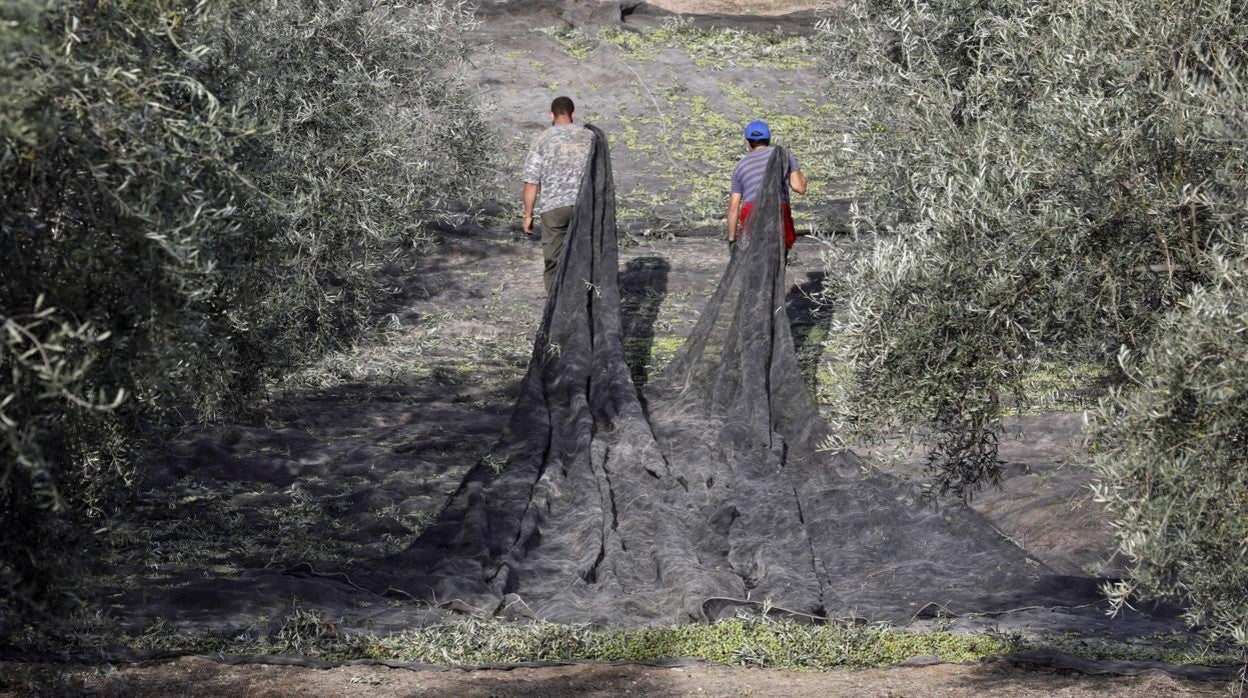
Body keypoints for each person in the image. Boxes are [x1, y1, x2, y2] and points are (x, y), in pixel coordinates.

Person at [522, 96, 595, 295]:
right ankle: (582, 303)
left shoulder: (542, 139)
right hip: (585, 206)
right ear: (573, 114)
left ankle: (556, 309)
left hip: (553, 208)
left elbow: (531, 182)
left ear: (551, 115)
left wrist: (528, 215)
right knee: (583, 258)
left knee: (553, 262)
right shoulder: (589, 137)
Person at [725, 119, 807, 251]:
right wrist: (799, 171)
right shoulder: (783, 155)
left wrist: (731, 240)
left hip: (752, 212)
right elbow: (800, 187)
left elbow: (733, 207)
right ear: (769, 140)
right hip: (778, 210)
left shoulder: (740, 166)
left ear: (747, 142)